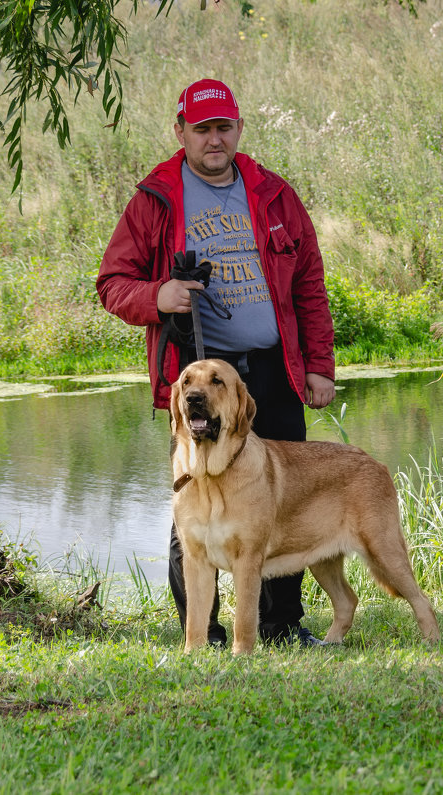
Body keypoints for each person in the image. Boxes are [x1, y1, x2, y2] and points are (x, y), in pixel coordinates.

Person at [96, 79, 336, 647]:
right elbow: (112, 282)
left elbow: (308, 283)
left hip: (275, 371)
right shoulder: (155, 199)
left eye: (222, 127)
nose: (213, 139)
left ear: (238, 129)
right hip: (201, 378)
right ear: (180, 131)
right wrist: (158, 297)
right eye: (200, 129)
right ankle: (199, 633)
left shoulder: (273, 193)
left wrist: (319, 364)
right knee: (195, 498)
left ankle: (279, 627)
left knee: (282, 501)